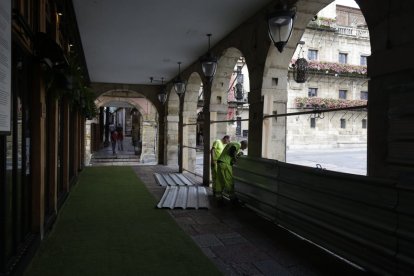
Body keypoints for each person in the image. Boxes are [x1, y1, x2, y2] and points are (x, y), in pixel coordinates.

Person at [215, 140, 248, 205]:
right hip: (225, 164)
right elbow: (232, 151)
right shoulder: (238, 144)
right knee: (229, 180)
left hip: (220, 162)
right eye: (244, 148)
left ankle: (219, 198)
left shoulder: (232, 143)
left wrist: (237, 155)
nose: (243, 149)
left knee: (220, 180)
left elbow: (230, 154)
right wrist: (236, 158)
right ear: (243, 144)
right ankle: (233, 199)